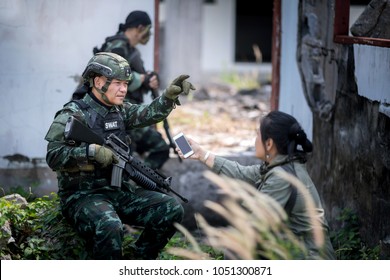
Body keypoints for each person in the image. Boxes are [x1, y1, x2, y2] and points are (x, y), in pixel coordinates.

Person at [45, 52, 195, 259]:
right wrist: (91, 152)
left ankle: (138, 261)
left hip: (119, 191)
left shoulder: (119, 111)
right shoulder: (72, 114)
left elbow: (148, 113)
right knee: (110, 225)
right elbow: (53, 156)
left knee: (171, 208)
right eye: (117, 83)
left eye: (125, 83)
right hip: (83, 196)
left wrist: (168, 97)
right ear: (98, 82)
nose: (124, 89)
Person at [177, 110, 335, 260]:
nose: (255, 140)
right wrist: (202, 154)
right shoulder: (282, 165)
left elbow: (254, 228)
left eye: (257, 135)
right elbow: (242, 173)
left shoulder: (281, 177)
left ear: (269, 144)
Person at [93, 10, 170, 171]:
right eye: (148, 29)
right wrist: (143, 78)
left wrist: (149, 78)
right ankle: (139, 179)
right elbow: (113, 76)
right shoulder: (118, 46)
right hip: (119, 112)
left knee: (130, 153)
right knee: (158, 148)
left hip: (128, 111)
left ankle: (137, 179)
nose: (149, 34)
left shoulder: (129, 49)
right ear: (140, 27)